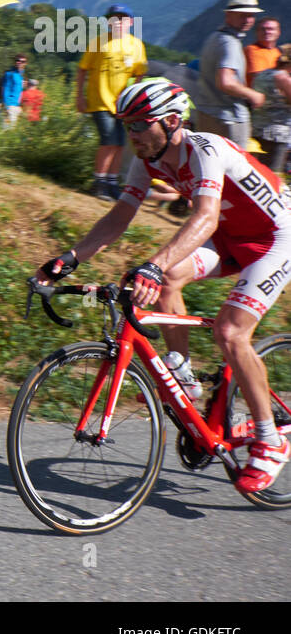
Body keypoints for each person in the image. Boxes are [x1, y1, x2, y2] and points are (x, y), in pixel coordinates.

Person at [34, 79, 290, 493]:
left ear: (171, 121)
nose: (131, 135)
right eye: (126, 125)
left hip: (275, 238)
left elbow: (204, 218)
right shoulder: (149, 156)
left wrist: (153, 265)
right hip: (230, 235)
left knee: (230, 331)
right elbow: (120, 217)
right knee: (170, 275)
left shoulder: (205, 149)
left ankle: (270, 439)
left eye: (139, 124)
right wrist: (69, 259)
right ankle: (183, 373)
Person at [76, 3, 146, 200]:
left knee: (120, 143)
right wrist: (79, 96)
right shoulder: (98, 42)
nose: (118, 22)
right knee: (109, 140)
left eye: (122, 19)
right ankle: (99, 183)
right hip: (99, 100)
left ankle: (112, 183)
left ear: (130, 22)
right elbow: (82, 69)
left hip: (122, 104)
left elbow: (139, 74)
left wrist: (130, 98)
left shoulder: (136, 45)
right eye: (113, 18)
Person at [193, 0, 266, 150]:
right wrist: (253, 95)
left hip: (206, 113)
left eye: (251, 16)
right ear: (228, 16)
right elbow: (225, 82)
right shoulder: (230, 44)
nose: (248, 20)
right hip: (229, 118)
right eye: (242, 15)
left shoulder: (214, 38)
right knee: (235, 168)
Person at [249, 50, 291, 173]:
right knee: (273, 174)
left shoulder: (262, 74)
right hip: (277, 135)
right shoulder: (283, 78)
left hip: (257, 129)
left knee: (257, 171)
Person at [1, 55, 27, 126]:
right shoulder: (9, 74)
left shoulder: (21, 76)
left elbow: (19, 91)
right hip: (10, 106)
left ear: (25, 63)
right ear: (15, 62)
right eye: (18, 61)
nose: (20, 63)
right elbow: (5, 90)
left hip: (17, 106)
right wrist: (6, 106)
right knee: (8, 129)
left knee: (15, 130)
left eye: (23, 61)